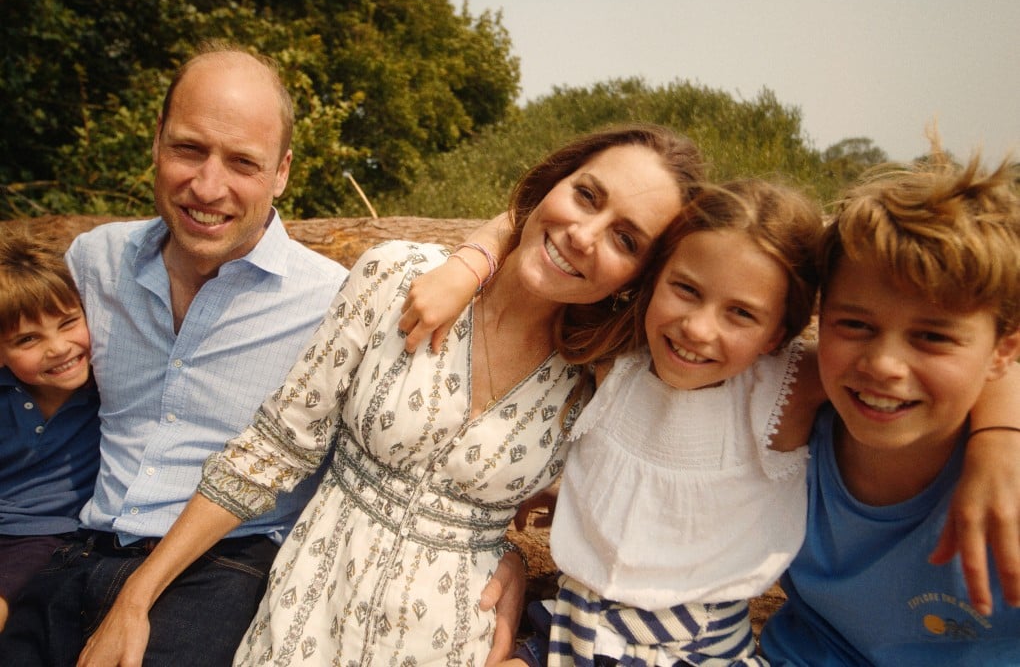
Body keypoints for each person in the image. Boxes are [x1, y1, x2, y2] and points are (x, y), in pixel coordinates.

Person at [71, 123, 707, 666]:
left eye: (626, 239)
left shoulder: (597, 380)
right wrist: (137, 596)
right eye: (586, 195)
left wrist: (505, 550)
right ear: (552, 186)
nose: (584, 235)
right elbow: (274, 449)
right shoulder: (398, 276)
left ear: (639, 277)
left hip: (454, 636)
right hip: (309, 612)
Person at [0, 41, 348, 665]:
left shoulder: (332, 303)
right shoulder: (94, 263)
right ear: (157, 140)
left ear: (283, 171)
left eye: (243, 162)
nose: (207, 186)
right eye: (189, 148)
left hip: (226, 568)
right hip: (79, 550)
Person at [488, 179, 823, 666]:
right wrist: (467, 264)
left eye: (741, 314)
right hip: (572, 626)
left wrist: (982, 440)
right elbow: (522, 225)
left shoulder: (780, 392)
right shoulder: (617, 360)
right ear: (653, 276)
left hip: (688, 649)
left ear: (778, 334)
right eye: (685, 289)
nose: (697, 327)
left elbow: (896, 356)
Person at [759, 143, 1020, 664]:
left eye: (932, 337)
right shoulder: (787, 412)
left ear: (1003, 353)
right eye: (854, 325)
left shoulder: (1008, 485)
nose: (884, 364)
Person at [0, 228, 101, 633]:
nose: (58, 348)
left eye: (68, 323)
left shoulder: (106, 389)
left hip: (45, 533)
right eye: (28, 339)